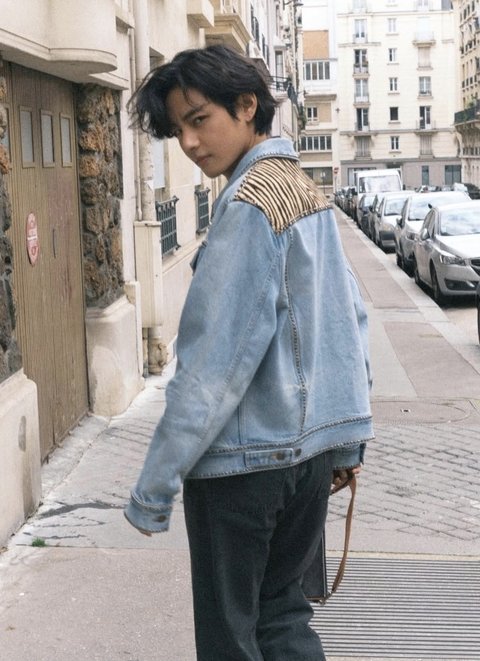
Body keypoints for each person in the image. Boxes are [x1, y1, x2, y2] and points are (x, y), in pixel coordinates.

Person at [124, 44, 373, 661]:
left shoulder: (246, 205)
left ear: (246, 105)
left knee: (230, 638)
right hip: (307, 462)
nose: (188, 142)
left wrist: (153, 489)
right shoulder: (305, 191)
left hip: (242, 468)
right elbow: (349, 323)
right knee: (282, 620)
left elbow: (212, 367)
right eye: (177, 129)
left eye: (198, 120)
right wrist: (345, 444)